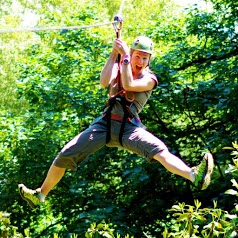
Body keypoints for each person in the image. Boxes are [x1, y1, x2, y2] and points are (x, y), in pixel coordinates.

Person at [18, 36, 214, 209]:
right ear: (132, 53)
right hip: (104, 124)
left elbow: (129, 85)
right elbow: (104, 82)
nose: (141, 61)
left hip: (129, 128)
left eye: (145, 57)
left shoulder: (150, 78)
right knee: (66, 153)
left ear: (149, 60)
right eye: (138, 56)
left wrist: (126, 57)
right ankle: (40, 195)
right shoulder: (121, 67)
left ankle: (193, 175)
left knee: (159, 150)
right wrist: (114, 53)